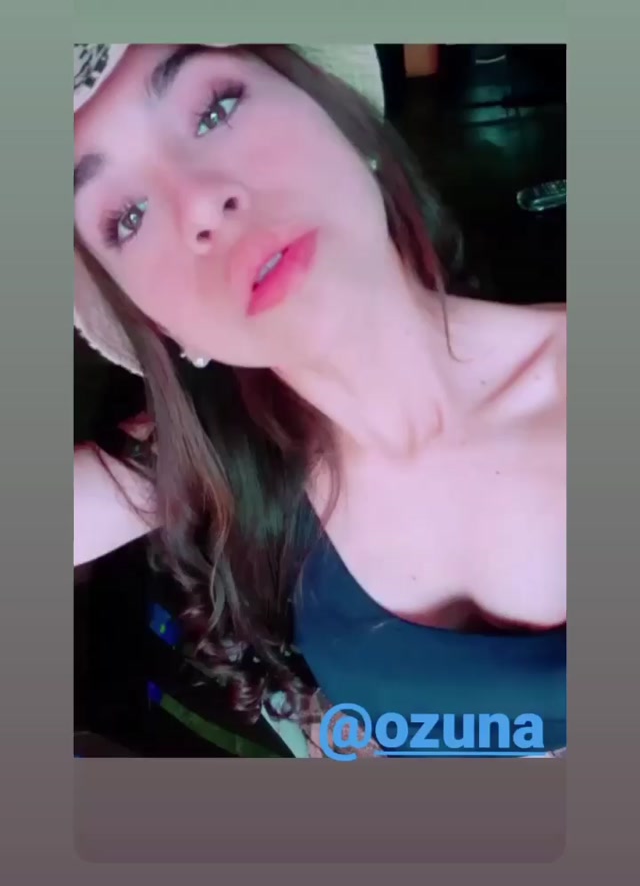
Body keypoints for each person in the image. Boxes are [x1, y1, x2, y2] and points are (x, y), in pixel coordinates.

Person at [73, 43, 566, 757]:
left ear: (344, 121)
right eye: (126, 217)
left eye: (215, 111)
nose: (201, 203)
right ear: (162, 326)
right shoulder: (216, 463)